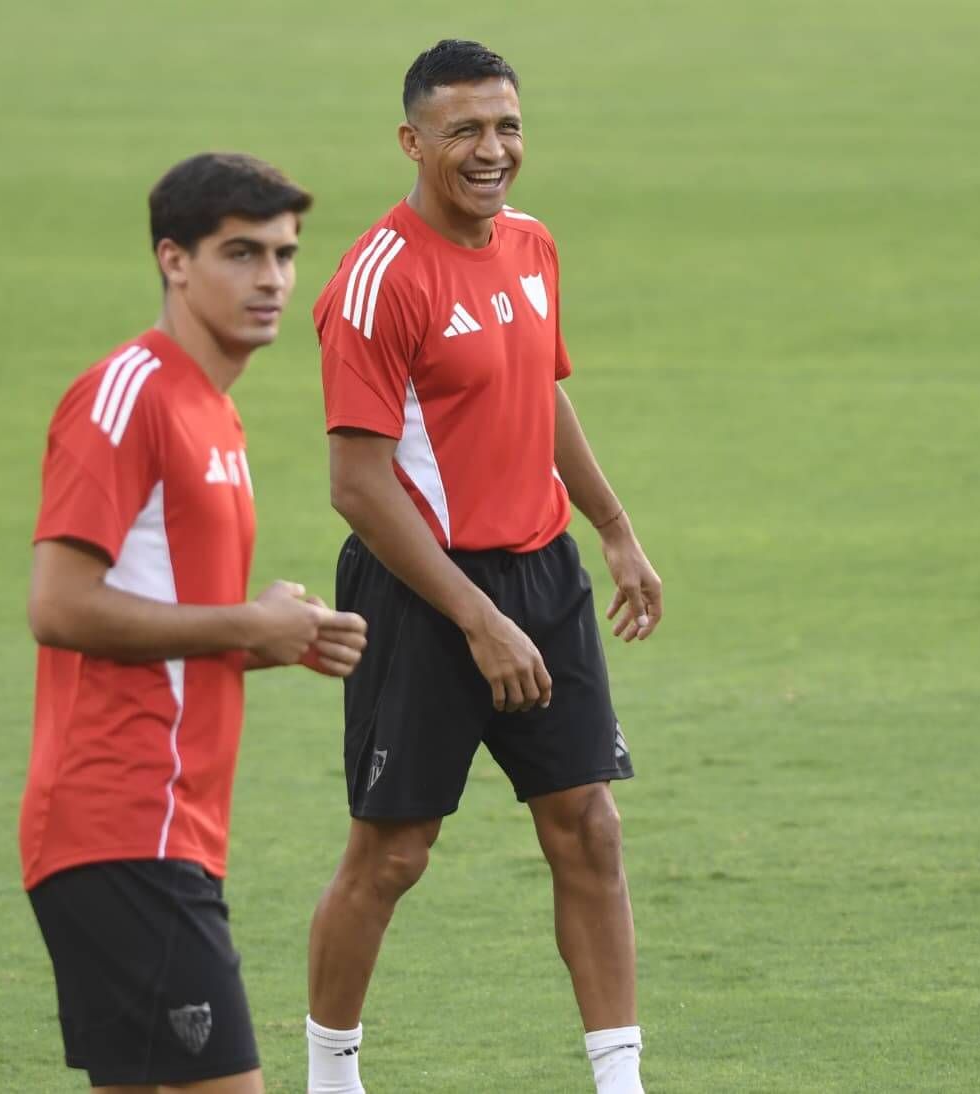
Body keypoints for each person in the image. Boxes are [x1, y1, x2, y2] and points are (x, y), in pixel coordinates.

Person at [304, 39, 664, 1094]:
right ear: (412, 141)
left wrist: (613, 526)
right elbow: (357, 483)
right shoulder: (377, 281)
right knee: (394, 852)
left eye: (506, 125)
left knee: (587, 828)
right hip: (421, 591)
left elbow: (536, 388)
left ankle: (620, 1082)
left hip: (542, 575)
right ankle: (330, 1076)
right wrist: (475, 617)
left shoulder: (532, 245)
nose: (491, 148)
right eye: (463, 129)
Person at [21, 152, 368, 1094]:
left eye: (285, 254)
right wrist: (247, 622)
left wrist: (271, 636)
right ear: (174, 260)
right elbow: (58, 604)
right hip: (123, 821)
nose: (272, 279)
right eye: (241, 253)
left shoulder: (213, 413)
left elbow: (168, 620)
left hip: (167, 827)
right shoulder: (127, 395)